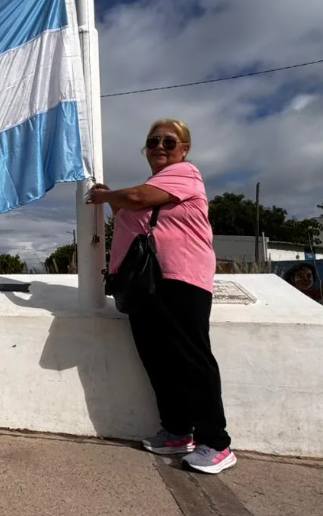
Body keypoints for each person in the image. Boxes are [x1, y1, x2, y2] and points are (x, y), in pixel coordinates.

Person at [87, 119, 235, 474]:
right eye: (154, 141)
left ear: (184, 149)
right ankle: (177, 431)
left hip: (180, 279)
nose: (160, 147)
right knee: (159, 360)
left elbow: (136, 198)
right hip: (145, 286)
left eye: (170, 142)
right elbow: (130, 211)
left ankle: (215, 442)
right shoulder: (156, 184)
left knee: (191, 358)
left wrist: (104, 195)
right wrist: (112, 202)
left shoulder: (186, 173)